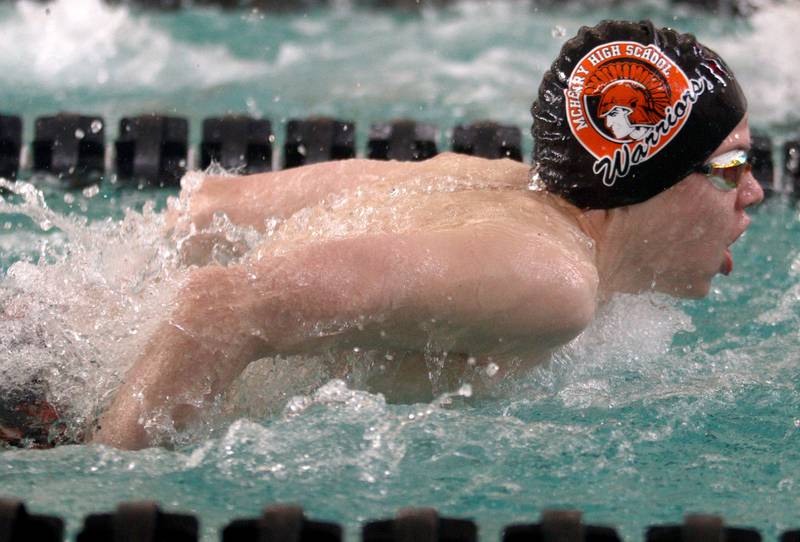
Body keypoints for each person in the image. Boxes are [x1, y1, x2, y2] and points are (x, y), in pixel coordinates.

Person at [2, 20, 764, 450]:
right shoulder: (550, 279)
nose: (755, 192)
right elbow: (220, 307)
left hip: (41, 344)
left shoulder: (488, 182)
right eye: (731, 169)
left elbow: (206, 212)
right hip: (48, 415)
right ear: (647, 178)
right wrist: (102, 475)